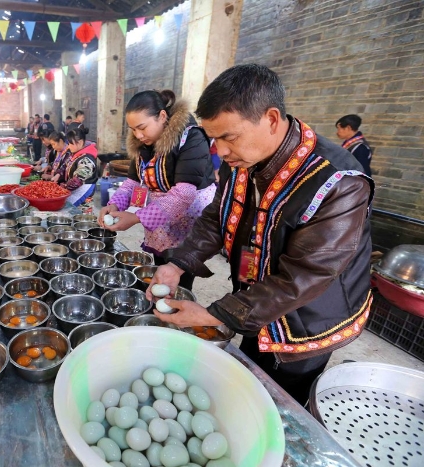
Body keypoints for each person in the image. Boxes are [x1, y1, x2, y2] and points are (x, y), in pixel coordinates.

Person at [148, 64, 374, 405]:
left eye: (228, 136)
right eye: (214, 137)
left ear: (270, 119)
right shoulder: (241, 158)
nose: (219, 150)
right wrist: (179, 263)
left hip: (308, 317)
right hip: (255, 300)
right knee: (249, 376)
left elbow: (306, 275)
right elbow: (216, 216)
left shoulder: (339, 182)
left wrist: (215, 315)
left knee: (281, 398)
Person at [98, 90, 216, 291]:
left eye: (142, 127)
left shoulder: (191, 138)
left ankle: (178, 302)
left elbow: (184, 194)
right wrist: (114, 204)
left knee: (181, 266)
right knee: (160, 262)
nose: (138, 135)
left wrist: (136, 218)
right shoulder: (144, 144)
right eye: (133, 129)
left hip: (188, 213)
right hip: (161, 213)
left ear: (162, 116)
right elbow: (133, 183)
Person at [57, 128, 98, 206]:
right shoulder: (76, 154)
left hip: (83, 196)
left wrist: (62, 188)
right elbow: (66, 165)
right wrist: (58, 174)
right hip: (74, 190)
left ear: (80, 143)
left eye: (71, 144)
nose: (68, 147)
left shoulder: (87, 160)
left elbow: (77, 180)